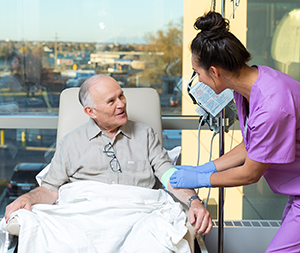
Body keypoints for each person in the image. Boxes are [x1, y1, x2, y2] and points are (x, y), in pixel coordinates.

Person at [5, 74, 212, 237]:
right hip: (85, 219)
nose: (121, 104)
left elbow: (169, 177)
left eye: (121, 95)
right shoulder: (71, 143)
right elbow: (50, 190)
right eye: (111, 101)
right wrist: (27, 197)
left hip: (140, 217)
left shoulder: (145, 135)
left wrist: (194, 200)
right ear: (91, 111)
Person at [169, 11, 300, 252]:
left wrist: (201, 179)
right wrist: (207, 167)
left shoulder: (272, 105)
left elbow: (250, 173)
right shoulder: (249, 87)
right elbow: (254, 143)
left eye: (198, 74)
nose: (199, 81)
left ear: (215, 71)